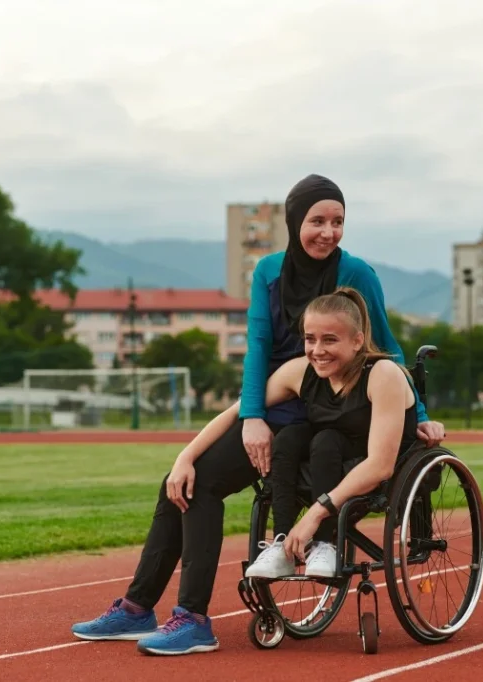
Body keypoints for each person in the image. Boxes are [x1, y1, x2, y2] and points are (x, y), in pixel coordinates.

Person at [70, 174, 445, 656]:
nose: (328, 232)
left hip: (335, 411)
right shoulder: (268, 272)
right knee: (186, 480)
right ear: (294, 223)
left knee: (272, 457)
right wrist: (249, 418)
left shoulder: (358, 275)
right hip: (282, 397)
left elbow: (386, 351)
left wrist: (421, 414)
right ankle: (142, 609)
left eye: (338, 222)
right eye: (317, 221)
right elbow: (258, 350)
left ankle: (191, 616)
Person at [244, 287, 423, 579]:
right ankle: (280, 543)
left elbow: (381, 465)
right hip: (328, 456)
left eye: (330, 340)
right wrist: (185, 458)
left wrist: (315, 514)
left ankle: (325, 543)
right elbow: (239, 408)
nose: (317, 349)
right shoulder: (301, 370)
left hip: (373, 468)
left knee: (325, 441)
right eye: (310, 339)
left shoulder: (384, 374)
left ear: (357, 341)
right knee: (292, 437)